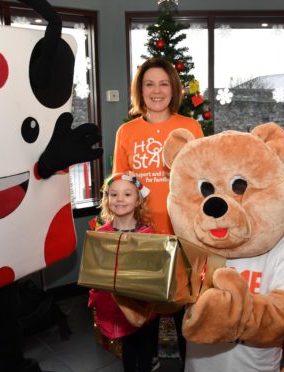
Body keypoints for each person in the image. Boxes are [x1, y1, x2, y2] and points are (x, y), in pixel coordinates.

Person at [112, 57, 204, 371]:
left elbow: (202, 180)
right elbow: (120, 186)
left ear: (173, 88)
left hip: (182, 239)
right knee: (140, 323)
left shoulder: (190, 127)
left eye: (164, 83)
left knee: (184, 319)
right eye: (149, 83)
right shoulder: (126, 131)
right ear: (140, 90)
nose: (157, 90)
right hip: (142, 240)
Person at [88, 173, 155, 372]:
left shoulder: (148, 234)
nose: (120, 199)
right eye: (114, 194)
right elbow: (96, 271)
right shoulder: (100, 235)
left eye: (127, 194)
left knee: (144, 345)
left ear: (137, 201)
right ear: (107, 200)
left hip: (141, 306)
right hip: (116, 304)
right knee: (127, 346)